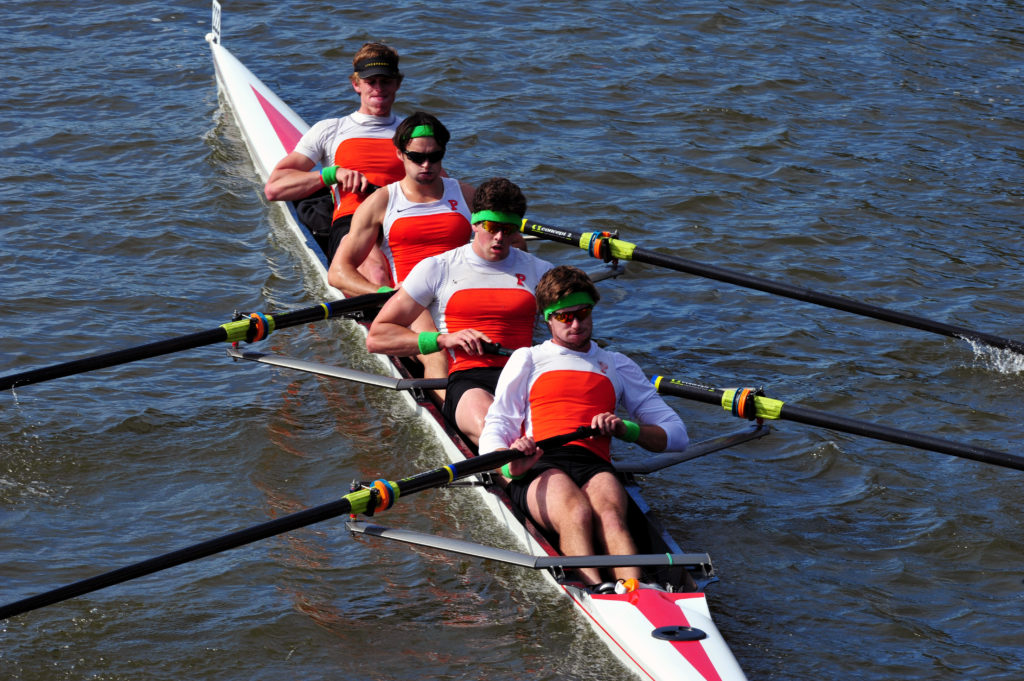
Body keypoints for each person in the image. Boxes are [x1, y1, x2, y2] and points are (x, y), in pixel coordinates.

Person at [477, 265, 689, 587]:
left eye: (583, 313)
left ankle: (634, 593)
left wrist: (627, 430)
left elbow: (677, 436)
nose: (576, 324)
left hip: (594, 464)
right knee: (576, 513)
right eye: (564, 317)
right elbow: (498, 423)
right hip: (540, 462)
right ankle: (594, 592)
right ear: (547, 318)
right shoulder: (528, 359)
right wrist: (510, 464)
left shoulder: (617, 364)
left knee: (612, 518)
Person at [365, 178, 552, 443]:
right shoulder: (438, 268)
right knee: (500, 435)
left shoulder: (540, 271)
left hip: (523, 376)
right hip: (466, 380)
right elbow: (377, 338)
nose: (500, 237)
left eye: (508, 229)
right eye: (491, 227)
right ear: (474, 222)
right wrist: (443, 339)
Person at [263, 42, 405, 263]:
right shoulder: (331, 130)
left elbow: (441, 183)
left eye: (385, 81)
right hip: (355, 224)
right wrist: (331, 174)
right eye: (370, 82)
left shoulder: (411, 132)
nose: (378, 88)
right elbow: (274, 188)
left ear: (397, 84)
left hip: (405, 221)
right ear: (356, 84)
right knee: (376, 270)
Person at [327, 112, 474, 296]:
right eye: (417, 157)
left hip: (461, 295)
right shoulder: (379, 203)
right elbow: (337, 273)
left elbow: (510, 242)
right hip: (409, 304)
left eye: (435, 156)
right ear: (400, 154)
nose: (426, 164)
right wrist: (385, 294)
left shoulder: (466, 194)